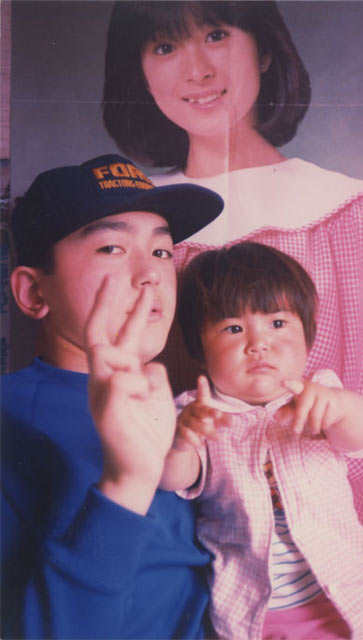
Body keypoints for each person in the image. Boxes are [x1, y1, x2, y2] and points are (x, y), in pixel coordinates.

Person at [102, 0, 363, 535]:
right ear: (141, 72)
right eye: (165, 46)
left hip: (312, 551)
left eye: (216, 35)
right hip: (158, 540)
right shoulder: (128, 221)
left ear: (264, 49)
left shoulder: (351, 209)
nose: (196, 70)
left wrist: (308, 553)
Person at [1, 153, 224, 639]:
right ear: (34, 292)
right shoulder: (9, 419)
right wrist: (127, 484)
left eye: (161, 251)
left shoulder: (181, 405)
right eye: (111, 248)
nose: (151, 274)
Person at [160, 242, 363, 640]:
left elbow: (361, 432)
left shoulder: (319, 393)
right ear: (199, 350)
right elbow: (172, 478)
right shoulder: (196, 412)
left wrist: (339, 407)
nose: (258, 343)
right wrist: (181, 442)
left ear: (307, 336)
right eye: (233, 328)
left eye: (277, 323)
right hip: (254, 610)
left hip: (342, 600)